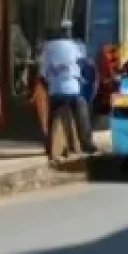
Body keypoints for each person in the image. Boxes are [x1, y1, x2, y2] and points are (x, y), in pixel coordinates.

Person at [40, 19, 97, 158]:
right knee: (81, 113)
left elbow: (42, 73)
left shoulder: (47, 48)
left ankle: (49, 146)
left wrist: (49, 83)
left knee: (52, 117)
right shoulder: (76, 46)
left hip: (55, 91)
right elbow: (86, 64)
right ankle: (86, 144)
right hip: (72, 90)